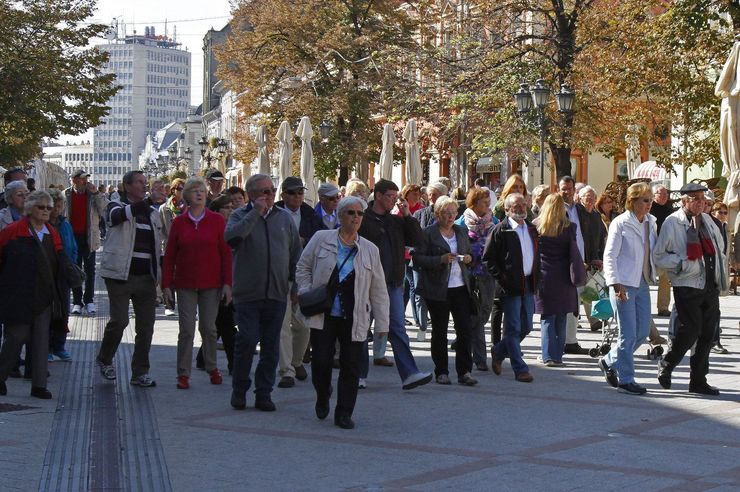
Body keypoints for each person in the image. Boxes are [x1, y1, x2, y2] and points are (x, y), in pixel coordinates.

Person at [296, 196, 389, 429]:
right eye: (351, 213)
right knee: (320, 362)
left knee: (351, 365)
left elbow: (378, 289)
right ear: (341, 216)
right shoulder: (321, 239)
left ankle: (344, 412)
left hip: (355, 315)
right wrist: (306, 290)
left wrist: (382, 325)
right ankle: (323, 392)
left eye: (359, 214)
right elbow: (303, 266)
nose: (356, 217)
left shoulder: (370, 250)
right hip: (324, 313)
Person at [225, 174, 302, 411]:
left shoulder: (284, 218)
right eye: (263, 191)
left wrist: (296, 286)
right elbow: (232, 239)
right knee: (247, 340)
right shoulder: (239, 215)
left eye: (271, 190)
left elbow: (294, 253)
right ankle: (240, 389)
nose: (269, 195)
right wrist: (254, 213)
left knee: (271, 345)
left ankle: (264, 392)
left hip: (277, 292)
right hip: (248, 292)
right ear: (251, 195)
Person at [653, 183, 727, 396]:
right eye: (695, 198)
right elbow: (659, 256)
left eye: (702, 198)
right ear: (684, 201)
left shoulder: (708, 221)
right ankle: (667, 364)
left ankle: (698, 380)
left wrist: (720, 275)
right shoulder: (672, 222)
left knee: (707, 334)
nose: (700, 202)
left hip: (709, 284)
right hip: (687, 283)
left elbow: (719, 250)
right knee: (691, 329)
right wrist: (682, 264)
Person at [359, 179, 432, 390]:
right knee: (362, 329)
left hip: (392, 283)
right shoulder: (363, 219)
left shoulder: (396, 221)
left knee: (398, 329)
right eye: (390, 196)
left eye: (395, 196)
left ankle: (410, 373)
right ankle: (358, 373)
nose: (394, 200)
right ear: (378, 196)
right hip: (366, 283)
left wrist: (408, 216)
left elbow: (419, 241)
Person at [162, 177, 232, 390]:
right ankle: (183, 373)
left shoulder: (216, 221)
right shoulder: (179, 223)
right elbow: (170, 255)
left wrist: (227, 283)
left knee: (209, 328)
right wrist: (166, 284)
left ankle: (212, 367)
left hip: (211, 283)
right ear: (187, 197)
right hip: (185, 283)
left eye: (202, 190)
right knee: (186, 330)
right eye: (194, 191)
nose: (199, 194)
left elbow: (225, 254)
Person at [96, 170, 164, 387]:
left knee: (146, 326)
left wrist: (159, 276)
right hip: (119, 275)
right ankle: (105, 359)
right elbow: (118, 217)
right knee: (120, 321)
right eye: (140, 182)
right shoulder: (114, 205)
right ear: (127, 186)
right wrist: (148, 202)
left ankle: (140, 372)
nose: (144, 185)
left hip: (145, 277)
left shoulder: (152, 213)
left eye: (146, 182)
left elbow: (157, 247)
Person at [0, 191, 65, 399]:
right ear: (30, 209)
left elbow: (60, 259)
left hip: (44, 295)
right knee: (15, 338)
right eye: (41, 207)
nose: (46, 211)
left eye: (49, 207)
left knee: (40, 340)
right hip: (18, 294)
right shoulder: (13, 231)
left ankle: (39, 385)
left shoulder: (51, 232)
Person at [598, 183, 657, 395]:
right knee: (628, 334)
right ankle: (626, 379)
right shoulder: (620, 223)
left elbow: (653, 251)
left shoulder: (651, 222)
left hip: (642, 282)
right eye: (645, 200)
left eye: (650, 199)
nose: (649, 204)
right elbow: (609, 256)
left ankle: (608, 360)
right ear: (632, 202)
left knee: (642, 333)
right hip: (623, 283)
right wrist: (615, 285)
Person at [414, 196, 477, 386]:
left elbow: (471, 256)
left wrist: (468, 259)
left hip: (460, 287)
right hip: (438, 289)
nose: (450, 217)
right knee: (440, 331)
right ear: (437, 214)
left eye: (453, 213)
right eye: (446, 213)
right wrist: (439, 260)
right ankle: (441, 371)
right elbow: (417, 259)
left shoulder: (461, 231)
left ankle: (464, 371)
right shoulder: (428, 233)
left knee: (464, 331)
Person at [483, 193, 540, 382]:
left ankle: (499, 351)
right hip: (510, 288)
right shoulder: (501, 230)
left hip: (529, 284)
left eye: (523, 204)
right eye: (516, 206)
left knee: (527, 326)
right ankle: (520, 368)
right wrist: (503, 278)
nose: (522, 208)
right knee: (513, 328)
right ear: (507, 209)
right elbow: (488, 259)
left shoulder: (532, 229)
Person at [274, 177, 314, 388]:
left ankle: (296, 361)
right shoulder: (274, 215)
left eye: (300, 192)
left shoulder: (310, 214)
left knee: (303, 325)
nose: (297, 196)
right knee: (283, 327)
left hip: (303, 277)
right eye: (292, 192)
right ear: (284, 195)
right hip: (280, 278)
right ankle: (286, 371)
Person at [533, 194, 580, 367]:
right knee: (561, 317)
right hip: (564, 276)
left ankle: (547, 356)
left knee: (547, 317)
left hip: (544, 276)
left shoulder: (537, 227)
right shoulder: (570, 227)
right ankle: (558, 356)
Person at [195, 194, 238, 374]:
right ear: (215, 210)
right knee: (225, 324)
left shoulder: (235, 227)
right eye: (226, 207)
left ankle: (203, 358)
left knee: (221, 323)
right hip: (214, 281)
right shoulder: (210, 228)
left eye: (231, 208)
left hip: (232, 281)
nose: (230, 211)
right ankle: (232, 363)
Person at [461, 188, 498, 371]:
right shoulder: (462, 222)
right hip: (468, 275)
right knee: (475, 315)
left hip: (488, 273)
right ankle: (480, 358)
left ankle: (467, 339)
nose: (488, 205)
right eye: (484, 202)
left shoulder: (493, 221)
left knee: (484, 312)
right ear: (474, 203)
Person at [558, 176, 596, 354]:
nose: (566, 192)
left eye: (569, 189)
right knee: (567, 303)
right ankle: (564, 341)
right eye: (563, 189)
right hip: (564, 263)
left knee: (576, 303)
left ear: (574, 190)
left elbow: (587, 235)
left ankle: (570, 341)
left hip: (581, 262)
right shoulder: (556, 209)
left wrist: (591, 257)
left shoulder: (579, 210)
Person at [65, 169, 109, 315]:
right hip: (72, 238)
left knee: (90, 269)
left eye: (86, 179)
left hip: (89, 237)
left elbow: (104, 208)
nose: (86, 182)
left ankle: (89, 300)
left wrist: (96, 193)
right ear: (74, 180)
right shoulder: (66, 194)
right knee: (75, 269)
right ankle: (77, 302)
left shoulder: (92, 195)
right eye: (82, 179)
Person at [48, 188, 78, 362]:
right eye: (54, 206)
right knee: (50, 312)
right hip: (48, 274)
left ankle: (59, 345)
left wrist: (71, 264)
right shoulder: (43, 224)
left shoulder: (65, 224)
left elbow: (72, 246)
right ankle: (47, 347)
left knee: (64, 311)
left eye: (59, 206)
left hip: (63, 274)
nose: (56, 210)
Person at [577, 185, 607, 332]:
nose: (589, 199)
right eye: (586, 196)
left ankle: (594, 320)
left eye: (592, 197)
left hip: (593, 259)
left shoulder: (596, 216)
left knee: (589, 290)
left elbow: (601, 238)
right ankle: (590, 320)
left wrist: (600, 258)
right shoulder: (577, 213)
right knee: (583, 291)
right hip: (580, 259)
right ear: (580, 198)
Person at [399, 184, 427, 341]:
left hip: (416, 255)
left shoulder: (421, 209)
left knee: (413, 287)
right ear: (406, 194)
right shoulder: (401, 210)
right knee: (409, 286)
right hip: (404, 254)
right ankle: (405, 315)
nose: (417, 195)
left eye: (418, 193)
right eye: (414, 193)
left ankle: (416, 318)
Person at [651, 184, 675, 316]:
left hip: (665, 248)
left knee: (665, 279)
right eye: (661, 194)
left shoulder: (669, 210)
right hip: (650, 247)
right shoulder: (648, 208)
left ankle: (663, 307)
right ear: (654, 195)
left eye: (666, 194)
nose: (665, 196)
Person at [710, 200, 730, 354]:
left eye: (725, 212)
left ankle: (712, 339)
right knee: (714, 310)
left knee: (714, 309)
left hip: (720, 271)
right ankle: (714, 340)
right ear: (713, 212)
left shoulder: (725, 227)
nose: (722, 215)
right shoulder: (712, 226)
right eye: (720, 212)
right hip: (712, 272)